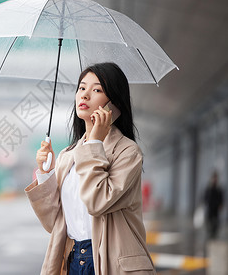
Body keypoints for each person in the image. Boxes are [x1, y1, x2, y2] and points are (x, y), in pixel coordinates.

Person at [25, 63, 156, 275]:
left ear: (113, 105)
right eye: (81, 88)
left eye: (96, 90)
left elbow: (97, 202)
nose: (84, 96)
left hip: (110, 261)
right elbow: (54, 223)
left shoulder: (128, 152)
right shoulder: (69, 154)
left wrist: (94, 144)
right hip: (74, 260)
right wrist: (45, 172)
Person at [203, 171, 223, 240]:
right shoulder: (209, 188)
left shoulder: (218, 189)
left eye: (215, 178)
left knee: (216, 222)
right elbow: (205, 197)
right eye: (213, 178)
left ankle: (214, 234)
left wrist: (221, 204)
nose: (214, 180)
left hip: (216, 208)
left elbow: (221, 197)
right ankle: (210, 233)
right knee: (209, 221)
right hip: (210, 208)